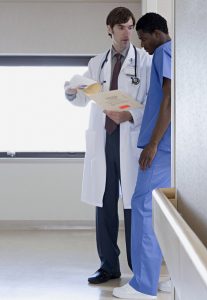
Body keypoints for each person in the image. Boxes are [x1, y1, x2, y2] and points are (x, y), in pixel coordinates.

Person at [64, 7, 151, 284]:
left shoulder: (145, 62)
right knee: (104, 205)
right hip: (104, 140)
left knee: (133, 208)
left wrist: (129, 115)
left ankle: (138, 268)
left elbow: (151, 103)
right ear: (110, 29)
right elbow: (84, 99)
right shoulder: (96, 63)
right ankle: (108, 266)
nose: (127, 33)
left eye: (130, 27)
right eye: (121, 28)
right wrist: (70, 92)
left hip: (130, 139)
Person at [113, 12, 172, 299]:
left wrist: (152, 144)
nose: (143, 44)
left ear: (157, 33)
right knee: (167, 214)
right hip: (172, 149)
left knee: (144, 208)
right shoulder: (177, 53)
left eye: (144, 37)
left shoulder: (163, 52)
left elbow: (169, 100)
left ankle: (143, 286)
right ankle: (168, 280)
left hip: (160, 149)